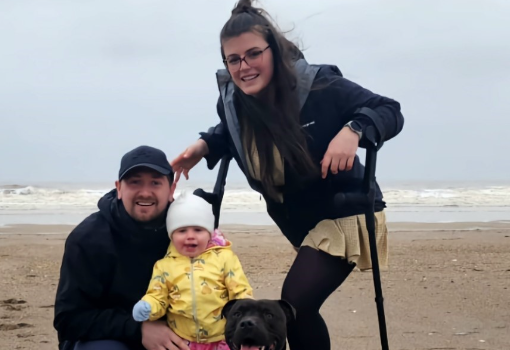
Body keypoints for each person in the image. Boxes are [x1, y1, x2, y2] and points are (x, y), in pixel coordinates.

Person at [170, 1, 405, 349]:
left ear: (274, 51)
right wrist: (206, 143)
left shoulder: (320, 85)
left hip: (344, 211)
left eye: (253, 54)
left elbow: (389, 110)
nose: (244, 66)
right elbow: (234, 129)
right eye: (233, 60)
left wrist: (354, 129)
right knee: (301, 306)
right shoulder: (233, 100)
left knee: (296, 304)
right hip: (297, 218)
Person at [53, 145, 192, 350]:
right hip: (108, 339)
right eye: (135, 182)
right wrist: (140, 328)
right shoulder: (88, 238)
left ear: (171, 190)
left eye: (155, 183)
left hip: (172, 334)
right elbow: (69, 320)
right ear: (119, 188)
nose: (145, 192)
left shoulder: (188, 234)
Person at [131, 191, 254, 350]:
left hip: (223, 338)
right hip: (183, 340)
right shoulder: (164, 266)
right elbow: (158, 296)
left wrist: (248, 309)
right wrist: (148, 307)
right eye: (182, 231)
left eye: (198, 230)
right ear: (172, 235)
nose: (190, 236)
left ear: (209, 233)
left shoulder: (224, 258)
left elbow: (239, 289)